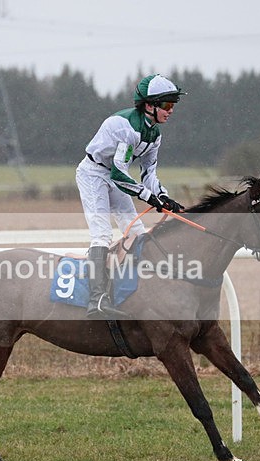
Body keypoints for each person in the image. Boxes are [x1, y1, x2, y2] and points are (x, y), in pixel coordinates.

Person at [76, 74, 186, 319]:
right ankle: (97, 299)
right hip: (93, 174)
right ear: (149, 105)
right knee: (102, 235)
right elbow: (118, 174)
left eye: (173, 105)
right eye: (167, 105)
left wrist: (163, 197)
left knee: (137, 233)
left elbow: (149, 174)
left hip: (115, 175)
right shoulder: (127, 128)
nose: (171, 111)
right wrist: (149, 197)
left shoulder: (154, 135)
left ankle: (137, 292)